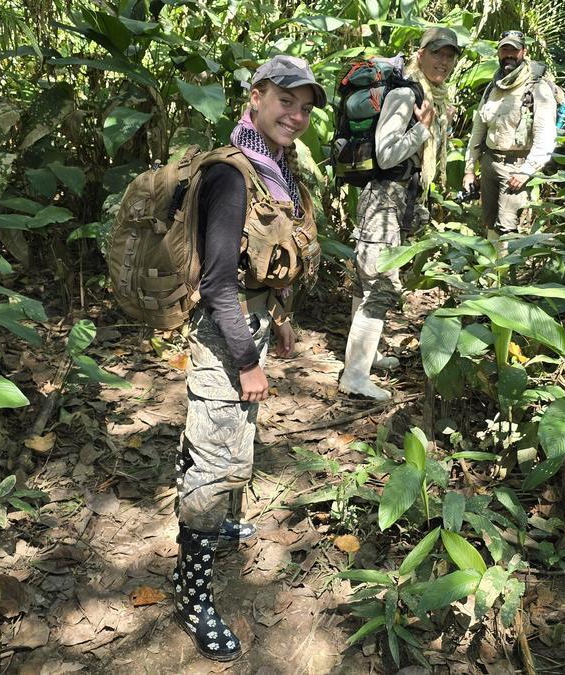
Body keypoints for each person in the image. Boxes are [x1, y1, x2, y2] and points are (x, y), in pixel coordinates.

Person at [171, 55, 323, 661]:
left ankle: (223, 524)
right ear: (255, 98)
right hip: (225, 333)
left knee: (235, 435)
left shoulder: (274, 170)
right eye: (287, 102)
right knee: (213, 460)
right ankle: (193, 594)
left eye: (306, 108)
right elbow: (216, 283)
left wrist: (279, 319)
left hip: (252, 322)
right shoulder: (234, 175)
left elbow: (262, 259)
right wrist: (246, 361)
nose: (297, 116)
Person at [339, 26, 462, 400]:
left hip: (397, 200)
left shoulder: (429, 95)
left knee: (368, 282)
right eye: (436, 53)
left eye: (450, 55)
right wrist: (422, 130)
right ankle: (354, 378)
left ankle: (365, 357)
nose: (443, 61)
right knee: (379, 284)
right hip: (382, 199)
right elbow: (387, 153)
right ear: (420, 54)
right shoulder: (405, 94)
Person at [462, 30, 558, 239]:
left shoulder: (537, 87)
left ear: (523, 52)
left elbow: (545, 135)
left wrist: (526, 171)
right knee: (488, 222)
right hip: (489, 163)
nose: (508, 55)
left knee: (507, 227)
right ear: (498, 53)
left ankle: (504, 270)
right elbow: (478, 130)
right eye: (504, 49)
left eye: (513, 50)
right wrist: (470, 169)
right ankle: (492, 269)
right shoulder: (492, 87)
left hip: (516, 167)